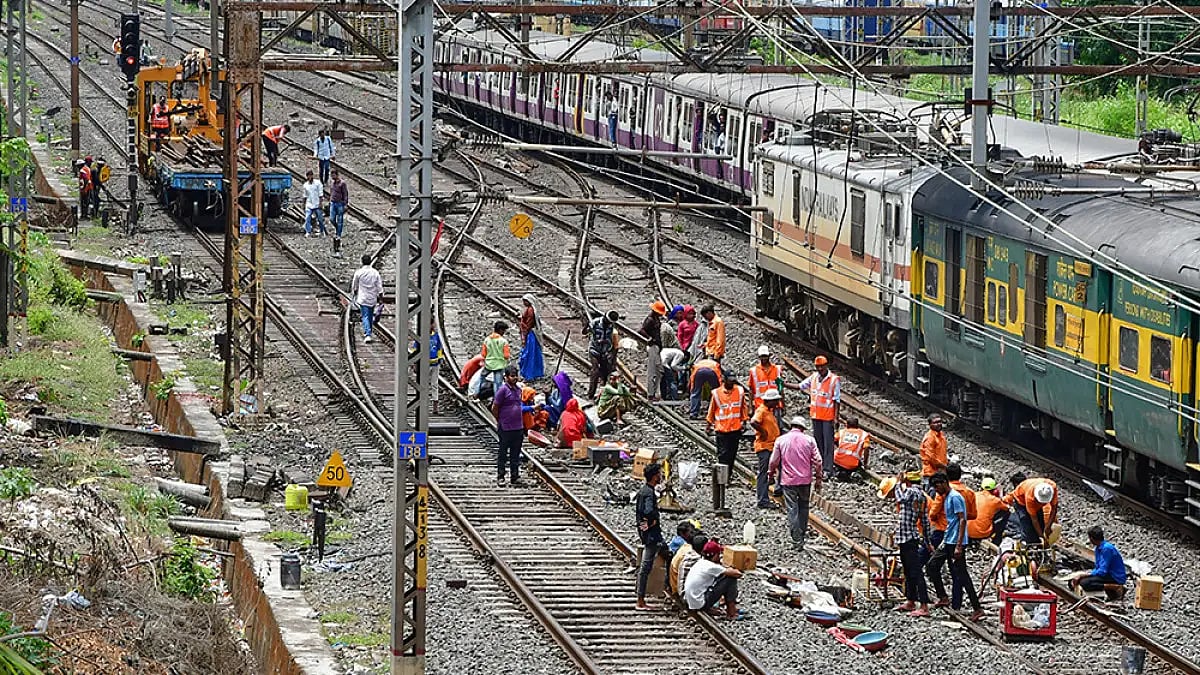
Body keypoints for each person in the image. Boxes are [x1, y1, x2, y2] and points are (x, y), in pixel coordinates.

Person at [926, 472, 984, 621]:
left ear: (944, 482)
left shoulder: (955, 497)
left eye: (937, 486)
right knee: (932, 565)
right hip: (948, 540)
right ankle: (943, 596)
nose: (936, 490)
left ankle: (977, 608)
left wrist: (959, 545)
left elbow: (962, 520)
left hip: (955, 542)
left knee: (962, 575)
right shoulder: (947, 497)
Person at [881, 471, 933, 617]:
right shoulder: (921, 495)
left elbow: (900, 497)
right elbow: (924, 520)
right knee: (909, 571)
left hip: (908, 538)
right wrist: (927, 540)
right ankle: (911, 600)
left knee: (915, 572)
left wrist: (898, 483)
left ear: (908, 482)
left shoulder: (911, 492)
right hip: (907, 537)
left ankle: (923, 605)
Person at [769, 416, 822, 551]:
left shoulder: (781, 440)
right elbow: (818, 461)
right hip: (805, 480)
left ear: (791, 426)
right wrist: (818, 479)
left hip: (789, 481)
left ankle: (796, 540)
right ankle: (802, 535)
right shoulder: (810, 440)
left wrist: (770, 474)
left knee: (792, 509)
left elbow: (773, 461)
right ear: (803, 428)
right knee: (804, 507)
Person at [799, 356, 840, 478]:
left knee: (828, 444)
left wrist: (836, 418)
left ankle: (828, 469)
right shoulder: (814, 377)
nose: (820, 369)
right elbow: (801, 386)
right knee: (818, 443)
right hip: (816, 416)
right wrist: (784, 384)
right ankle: (820, 467)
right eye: (818, 367)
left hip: (828, 417)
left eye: (822, 366)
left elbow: (837, 400)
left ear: (826, 365)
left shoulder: (834, 380)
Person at [682, 540, 743, 620]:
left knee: (723, 576)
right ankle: (732, 613)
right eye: (718, 554)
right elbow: (738, 574)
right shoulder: (711, 566)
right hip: (699, 603)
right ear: (714, 555)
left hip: (692, 601)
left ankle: (725, 608)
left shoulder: (701, 562)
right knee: (730, 579)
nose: (720, 556)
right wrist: (732, 567)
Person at [945, 463, 977, 610]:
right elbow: (973, 515)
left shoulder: (948, 493)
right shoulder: (969, 492)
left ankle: (958, 603)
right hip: (963, 534)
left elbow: (934, 513)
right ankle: (956, 603)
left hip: (950, 535)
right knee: (958, 571)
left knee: (957, 571)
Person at [635, 463, 666, 610]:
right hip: (651, 536)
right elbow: (647, 511)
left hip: (648, 534)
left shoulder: (644, 491)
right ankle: (640, 600)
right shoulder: (649, 493)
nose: (660, 476)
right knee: (646, 566)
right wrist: (652, 522)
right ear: (654, 476)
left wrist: (644, 526)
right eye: (659, 474)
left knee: (663, 554)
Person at [491, 365, 525, 487]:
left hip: (518, 427)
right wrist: (500, 420)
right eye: (512, 376)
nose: (514, 378)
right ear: (506, 377)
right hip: (505, 427)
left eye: (515, 375)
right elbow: (495, 407)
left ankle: (514, 476)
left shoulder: (518, 390)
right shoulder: (502, 390)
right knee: (503, 453)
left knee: (515, 454)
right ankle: (501, 476)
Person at [750, 389, 783, 509]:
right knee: (763, 473)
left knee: (781, 467)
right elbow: (753, 422)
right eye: (775, 401)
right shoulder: (762, 410)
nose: (777, 403)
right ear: (769, 401)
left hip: (772, 446)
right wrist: (763, 431)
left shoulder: (769, 411)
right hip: (764, 447)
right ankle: (762, 500)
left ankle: (779, 489)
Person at [1003, 474, 1059, 544]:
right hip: (1021, 502)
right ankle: (1029, 544)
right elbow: (1034, 520)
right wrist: (1041, 536)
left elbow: (1054, 509)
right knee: (1027, 527)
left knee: (1041, 525)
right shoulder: (1030, 497)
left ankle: (1039, 544)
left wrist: (1048, 527)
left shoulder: (1052, 486)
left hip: (1032, 497)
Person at [1070, 526, 1127, 593]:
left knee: (1085, 583)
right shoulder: (1098, 548)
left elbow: (1102, 571)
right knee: (1075, 580)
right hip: (1107, 573)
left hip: (1115, 576)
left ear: (1091, 538)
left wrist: (1084, 575)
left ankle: (1114, 587)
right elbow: (1098, 568)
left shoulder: (1106, 549)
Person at [707, 377, 748, 468]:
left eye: (733, 381)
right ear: (724, 380)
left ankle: (727, 476)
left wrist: (744, 421)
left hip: (735, 429)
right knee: (723, 456)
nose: (731, 383)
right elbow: (712, 409)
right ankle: (723, 479)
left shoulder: (739, 391)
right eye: (730, 381)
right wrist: (709, 424)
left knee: (731, 455)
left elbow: (743, 407)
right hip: (722, 430)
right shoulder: (717, 393)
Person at [747, 345, 800, 411]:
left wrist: (783, 404)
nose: (764, 358)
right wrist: (750, 407)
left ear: (769, 356)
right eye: (762, 356)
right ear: (759, 357)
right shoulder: (754, 371)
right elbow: (751, 390)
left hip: (776, 405)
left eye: (765, 356)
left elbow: (780, 388)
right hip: (761, 406)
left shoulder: (777, 369)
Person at [408, 319, 444, 415]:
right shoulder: (420, 337)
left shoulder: (436, 336)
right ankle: (421, 405)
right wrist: (415, 363)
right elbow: (415, 350)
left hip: (435, 364)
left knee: (434, 384)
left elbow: (439, 349)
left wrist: (440, 359)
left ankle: (435, 406)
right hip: (424, 365)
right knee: (422, 385)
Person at [969, 477, 1012, 546]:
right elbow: (1007, 508)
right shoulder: (995, 500)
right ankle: (997, 539)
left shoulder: (973, 495)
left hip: (967, 531)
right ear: (994, 490)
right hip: (983, 533)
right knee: (1006, 513)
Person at [587, 310, 619, 400]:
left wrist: (612, 357)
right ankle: (591, 394)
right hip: (594, 350)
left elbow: (615, 345)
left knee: (605, 374)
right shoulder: (595, 323)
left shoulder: (612, 327)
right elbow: (585, 331)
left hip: (605, 352)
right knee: (595, 371)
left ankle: (603, 395)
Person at [350, 254, 383, 343]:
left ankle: (368, 334)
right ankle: (369, 332)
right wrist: (380, 297)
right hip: (372, 298)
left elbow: (354, 285)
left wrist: (354, 293)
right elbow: (379, 287)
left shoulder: (359, 272)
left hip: (363, 297)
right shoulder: (375, 272)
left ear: (362, 262)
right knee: (370, 315)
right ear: (370, 261)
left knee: (365, 316)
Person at [640, 301, 667, 401]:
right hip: (653, 347)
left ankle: (654, 392)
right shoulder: (650, 320)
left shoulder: (655, 319)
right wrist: (649, 338)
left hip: (657, 347)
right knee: (652, 371)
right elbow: (641, 330)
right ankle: (651, 394)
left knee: (659, 371)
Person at [518, 294, 545, 381]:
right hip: (532, 334)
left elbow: (528, 324)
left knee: (529, 354)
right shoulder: (531, 310)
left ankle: (529, 374)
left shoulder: (530, 311)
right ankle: (536, 373)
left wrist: (524, 334)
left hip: (530, 334)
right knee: (534, 353)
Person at [481, 321, 512, 393]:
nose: (504, 332)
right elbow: (506, 356)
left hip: (489, 364)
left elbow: (483, 354)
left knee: (482, 376)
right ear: (500, 330)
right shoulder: (504, 341)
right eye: (503, 330)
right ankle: (496, 399)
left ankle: (479, 393)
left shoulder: (487, 340)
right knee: (497, 384)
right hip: (500, 365)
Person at [920, 414, 948, 491]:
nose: (938, 424)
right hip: (931, 473)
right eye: (935, 422)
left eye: (939, 421)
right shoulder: (930, 438)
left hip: (939, 472)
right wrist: (944, 467)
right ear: (930, 425)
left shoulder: (940, 435)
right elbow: (931, 458)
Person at [302, 170, 326, 237]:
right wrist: (303, 204)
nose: (310, 177)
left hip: (317, 204)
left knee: (320, 219)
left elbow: (321, 194)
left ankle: (322, 231)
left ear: (312, 175)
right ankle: (308, 231)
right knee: (307, 218)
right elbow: (304, 196)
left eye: (311, 175)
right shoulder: (305, 185)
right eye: (308, 176)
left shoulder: (318, 183)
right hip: (309, 204)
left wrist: (320, 203)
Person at [329, 169, 349, 242]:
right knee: (331, 219)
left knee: (340, 220)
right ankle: (338, 229)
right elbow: (331, 192)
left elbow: (345, 194)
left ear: (337, 175)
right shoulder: (332, 182)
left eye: (333, 175)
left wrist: (345, 204)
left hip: (340, 203)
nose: (332, 177)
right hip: (333, 203)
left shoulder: (342, 183)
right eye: (331, 175)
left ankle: (339, 235)